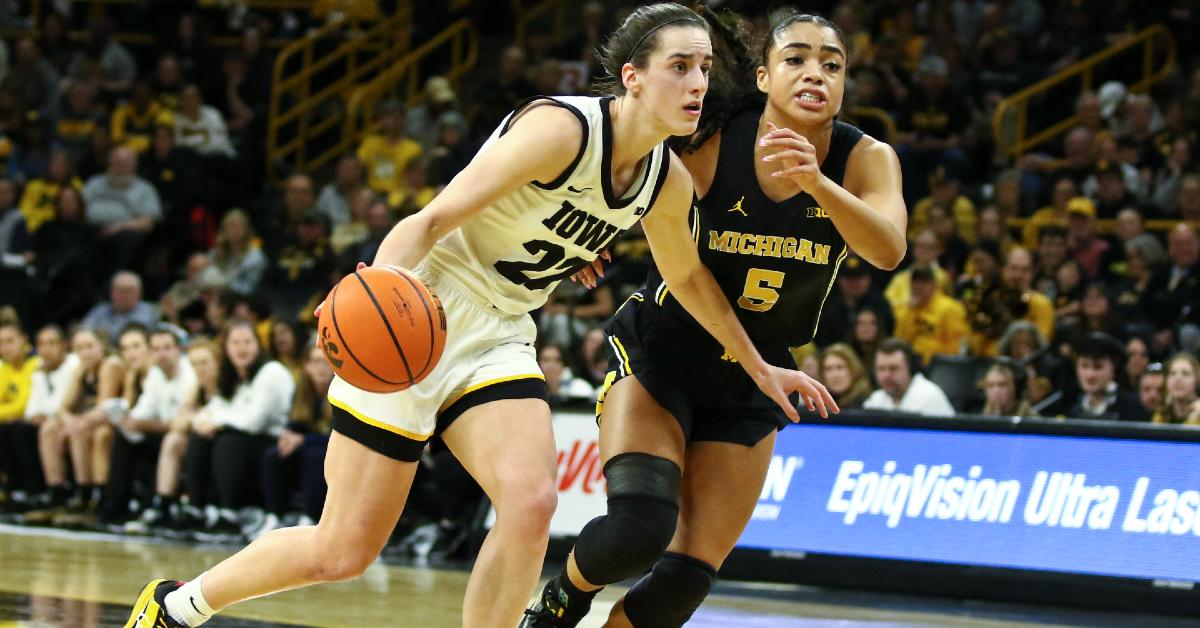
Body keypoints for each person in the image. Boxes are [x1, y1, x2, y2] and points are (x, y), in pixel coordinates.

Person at [127, 6, 825, 628]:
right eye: (679, 66)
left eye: (704, 67)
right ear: (633, 77)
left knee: (530, 503)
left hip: (501, 332)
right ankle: (176, 607)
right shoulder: (561, 129)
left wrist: (758, 364)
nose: (698, 81)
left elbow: (690, 279)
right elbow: (429, 220)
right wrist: (378, 292)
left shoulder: (665, 180)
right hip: (424, 306)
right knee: (341, 550)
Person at [524, 10, 903, 626]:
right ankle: (558, 603)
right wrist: (590, 233)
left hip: (758, 374)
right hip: (664, 351)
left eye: (832, 65)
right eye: (797, 59)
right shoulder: (711, 140)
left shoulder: (866, 158)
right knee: (639, 527)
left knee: (684, 580)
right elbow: (632, 177)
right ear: (762, 76)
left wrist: (817, 185)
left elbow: (887, 249)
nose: (816, 74)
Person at [862, 338, 956, 416]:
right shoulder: (876, 400)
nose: (886, 375)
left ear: (910, 368)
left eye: (894, 368)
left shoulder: (929, 396)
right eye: (881, 369)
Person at [1151, 353, 1200, 425]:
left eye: (1185, 373)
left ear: (1197, 380)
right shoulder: (1161, 414)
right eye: (1172, 373)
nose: (1178, 379)